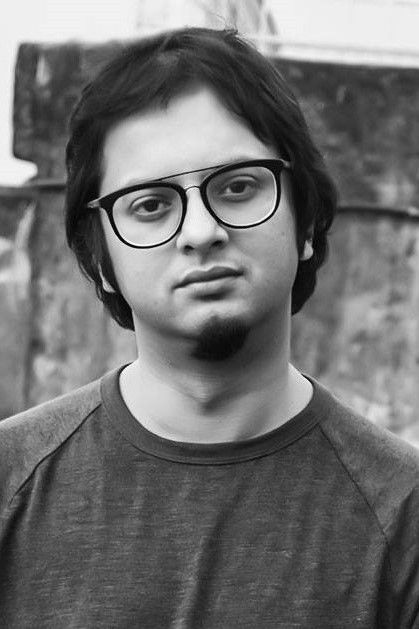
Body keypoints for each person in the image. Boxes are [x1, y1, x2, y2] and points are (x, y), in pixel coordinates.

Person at [0, 26, 418, 629]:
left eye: (239, 186)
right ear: (102, 261)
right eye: (151, 204)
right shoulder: (11, 483)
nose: (201, 231)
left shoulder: (403, 515)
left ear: (304, 223)